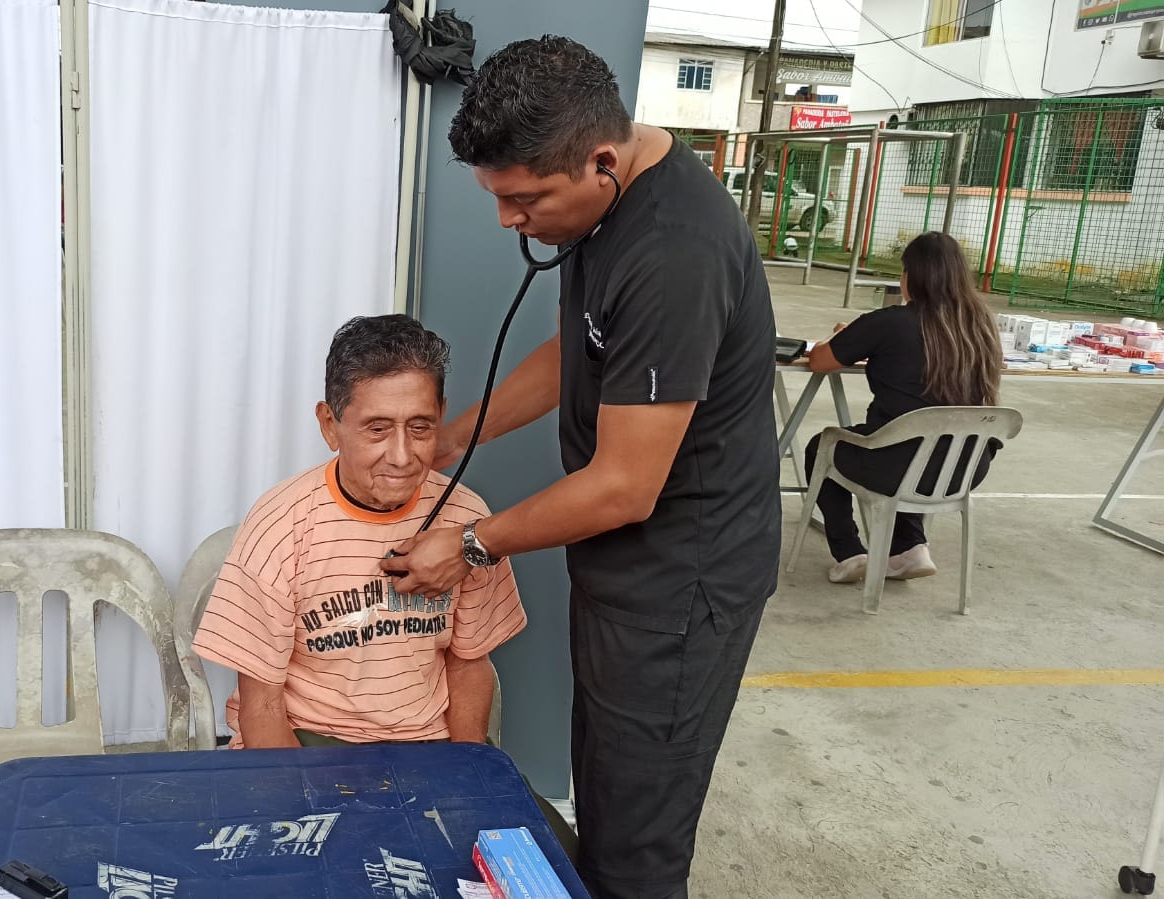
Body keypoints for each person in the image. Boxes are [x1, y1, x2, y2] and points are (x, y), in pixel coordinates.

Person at [383, 37, 780, 898]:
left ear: (600, 162)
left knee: (637, 844)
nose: (507, 220)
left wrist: (472, 544)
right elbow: (581, 347)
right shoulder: (604, 206)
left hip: (682, 586)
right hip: (625, 570)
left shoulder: (673, 252)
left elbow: (624, 486)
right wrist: (453, 436)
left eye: (524, 199)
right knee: (602, 793)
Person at [190, 314, 577, 853]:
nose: (401, 455)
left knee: (555, 863)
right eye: (376, 428)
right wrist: (305, 810)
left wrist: (463, 775)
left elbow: (470, 664)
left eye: (420, 427)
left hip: (425, 750)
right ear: (330, 425)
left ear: (441, 416)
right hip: (310, 744)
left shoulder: (467, 520)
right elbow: (262, 704)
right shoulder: (280, 525)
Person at [805, 231, 1003, 584]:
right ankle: (910, 547)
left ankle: (850, 552)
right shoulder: (980, 325)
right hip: (966, 467)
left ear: (912, 275)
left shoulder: (889, 322)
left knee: (822, 446)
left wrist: (843, 336)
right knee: (918, 446)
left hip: (897, 464)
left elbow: (820, 360)